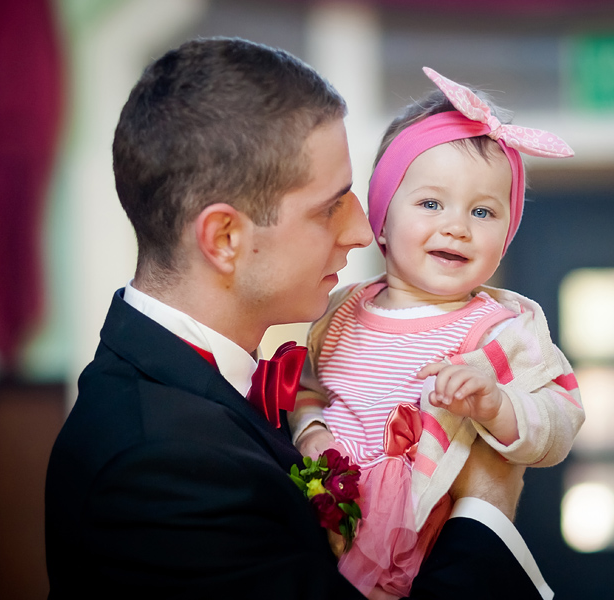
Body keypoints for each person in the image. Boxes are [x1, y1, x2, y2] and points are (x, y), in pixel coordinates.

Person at [45, 38, 548, 599]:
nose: (362, 231)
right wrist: (487, 505)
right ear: (225, 238)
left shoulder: (221, 391)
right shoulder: (161, 468)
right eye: (330, 206)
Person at [289, 68, 585, 599]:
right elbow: (307, 391)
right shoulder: (339, 312)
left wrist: (496, 405)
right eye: (431, 203)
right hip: (327, 533)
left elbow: (562, 421)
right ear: (380, 218)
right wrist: (312, 433)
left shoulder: (502, 330)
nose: (457, 226)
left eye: (483, 211)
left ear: (504, 239)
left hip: (428, 551)